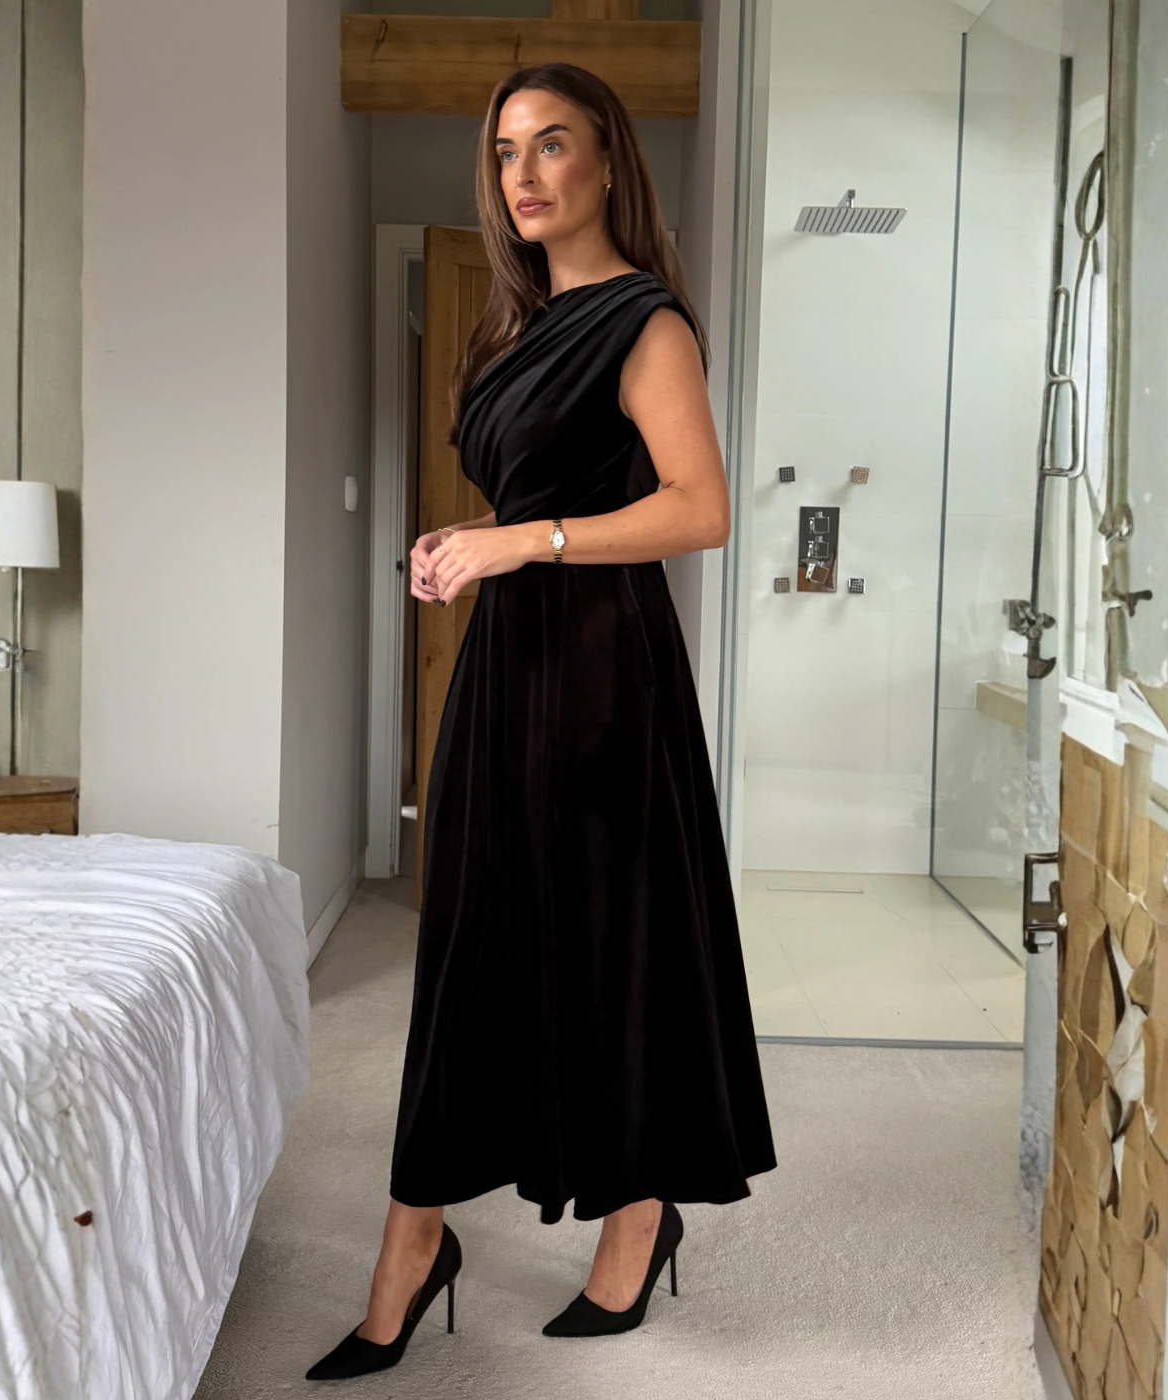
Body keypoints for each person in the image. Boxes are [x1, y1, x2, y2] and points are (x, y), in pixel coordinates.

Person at [306, 61, 776, 1382]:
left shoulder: (646, 323)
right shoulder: (511, 329)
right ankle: (420, 1237)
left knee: (612, 945)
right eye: (505, 150)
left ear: (609, 163)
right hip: (506, 669)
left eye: (552, 144)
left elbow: (702, 509)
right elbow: (525, 500)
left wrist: (527, 544)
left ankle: (634, 1214)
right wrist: (468, 543)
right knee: (471, 946)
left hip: (606, 680)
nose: (522, 173)